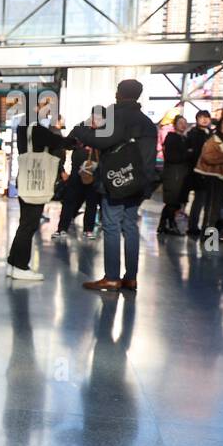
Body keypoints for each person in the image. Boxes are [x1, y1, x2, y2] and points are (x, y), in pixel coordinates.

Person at [72, 79, 158, 292]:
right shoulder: (147, 122)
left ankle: (111, 277)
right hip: (139, 181)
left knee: (111, 225)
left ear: (118, 93)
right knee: (130, 226)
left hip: (116, 181)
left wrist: (80, 129)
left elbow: (101, 141)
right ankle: (130, 278)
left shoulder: (116, 115)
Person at [7, 106, 75, 281]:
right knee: (29, 225)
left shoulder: (24, 126)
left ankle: (13, 263)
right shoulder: (35, 128)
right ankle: (21, 266)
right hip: (35, 182)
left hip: (25, 178)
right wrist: (77, 140)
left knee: (25, 223)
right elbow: (59, 142)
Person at [53, 121, 102, 240]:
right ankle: (62, 228)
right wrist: (80, 145)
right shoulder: (80, 128)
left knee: (91, 202)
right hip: (77, 172)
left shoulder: (104, 131)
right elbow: (67, 144)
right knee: (70, 201)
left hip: (93, 174)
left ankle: (87, 229)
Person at [189, 116, 223, 241]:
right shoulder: (213, 140)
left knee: (217, 207)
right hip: (213, 177)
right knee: (212, 207)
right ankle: (208, 237)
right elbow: (208, 157)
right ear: (219, 126)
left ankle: (210, 235)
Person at [156, 115, 192, 236]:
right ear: (175, 124)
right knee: (172, 201)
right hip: (174, 174)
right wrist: (187, 154)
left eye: (184, 122)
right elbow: (172, 157)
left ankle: (163, 225)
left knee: (175, 202)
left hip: (181, 174)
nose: (183, 125)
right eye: (180, 122)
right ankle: (170, 224)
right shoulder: (172, 138)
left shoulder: (184, 138)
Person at [184, 109, 216, 236]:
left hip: (210, 172)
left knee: (207, 201)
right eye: (201, 117)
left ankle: (205, 227)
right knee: (199, 200)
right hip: (199, 171)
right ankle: (193, 227)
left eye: (207, 117)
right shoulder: (194, 133)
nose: (204, 119)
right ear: (197, 119)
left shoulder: (211, 133)